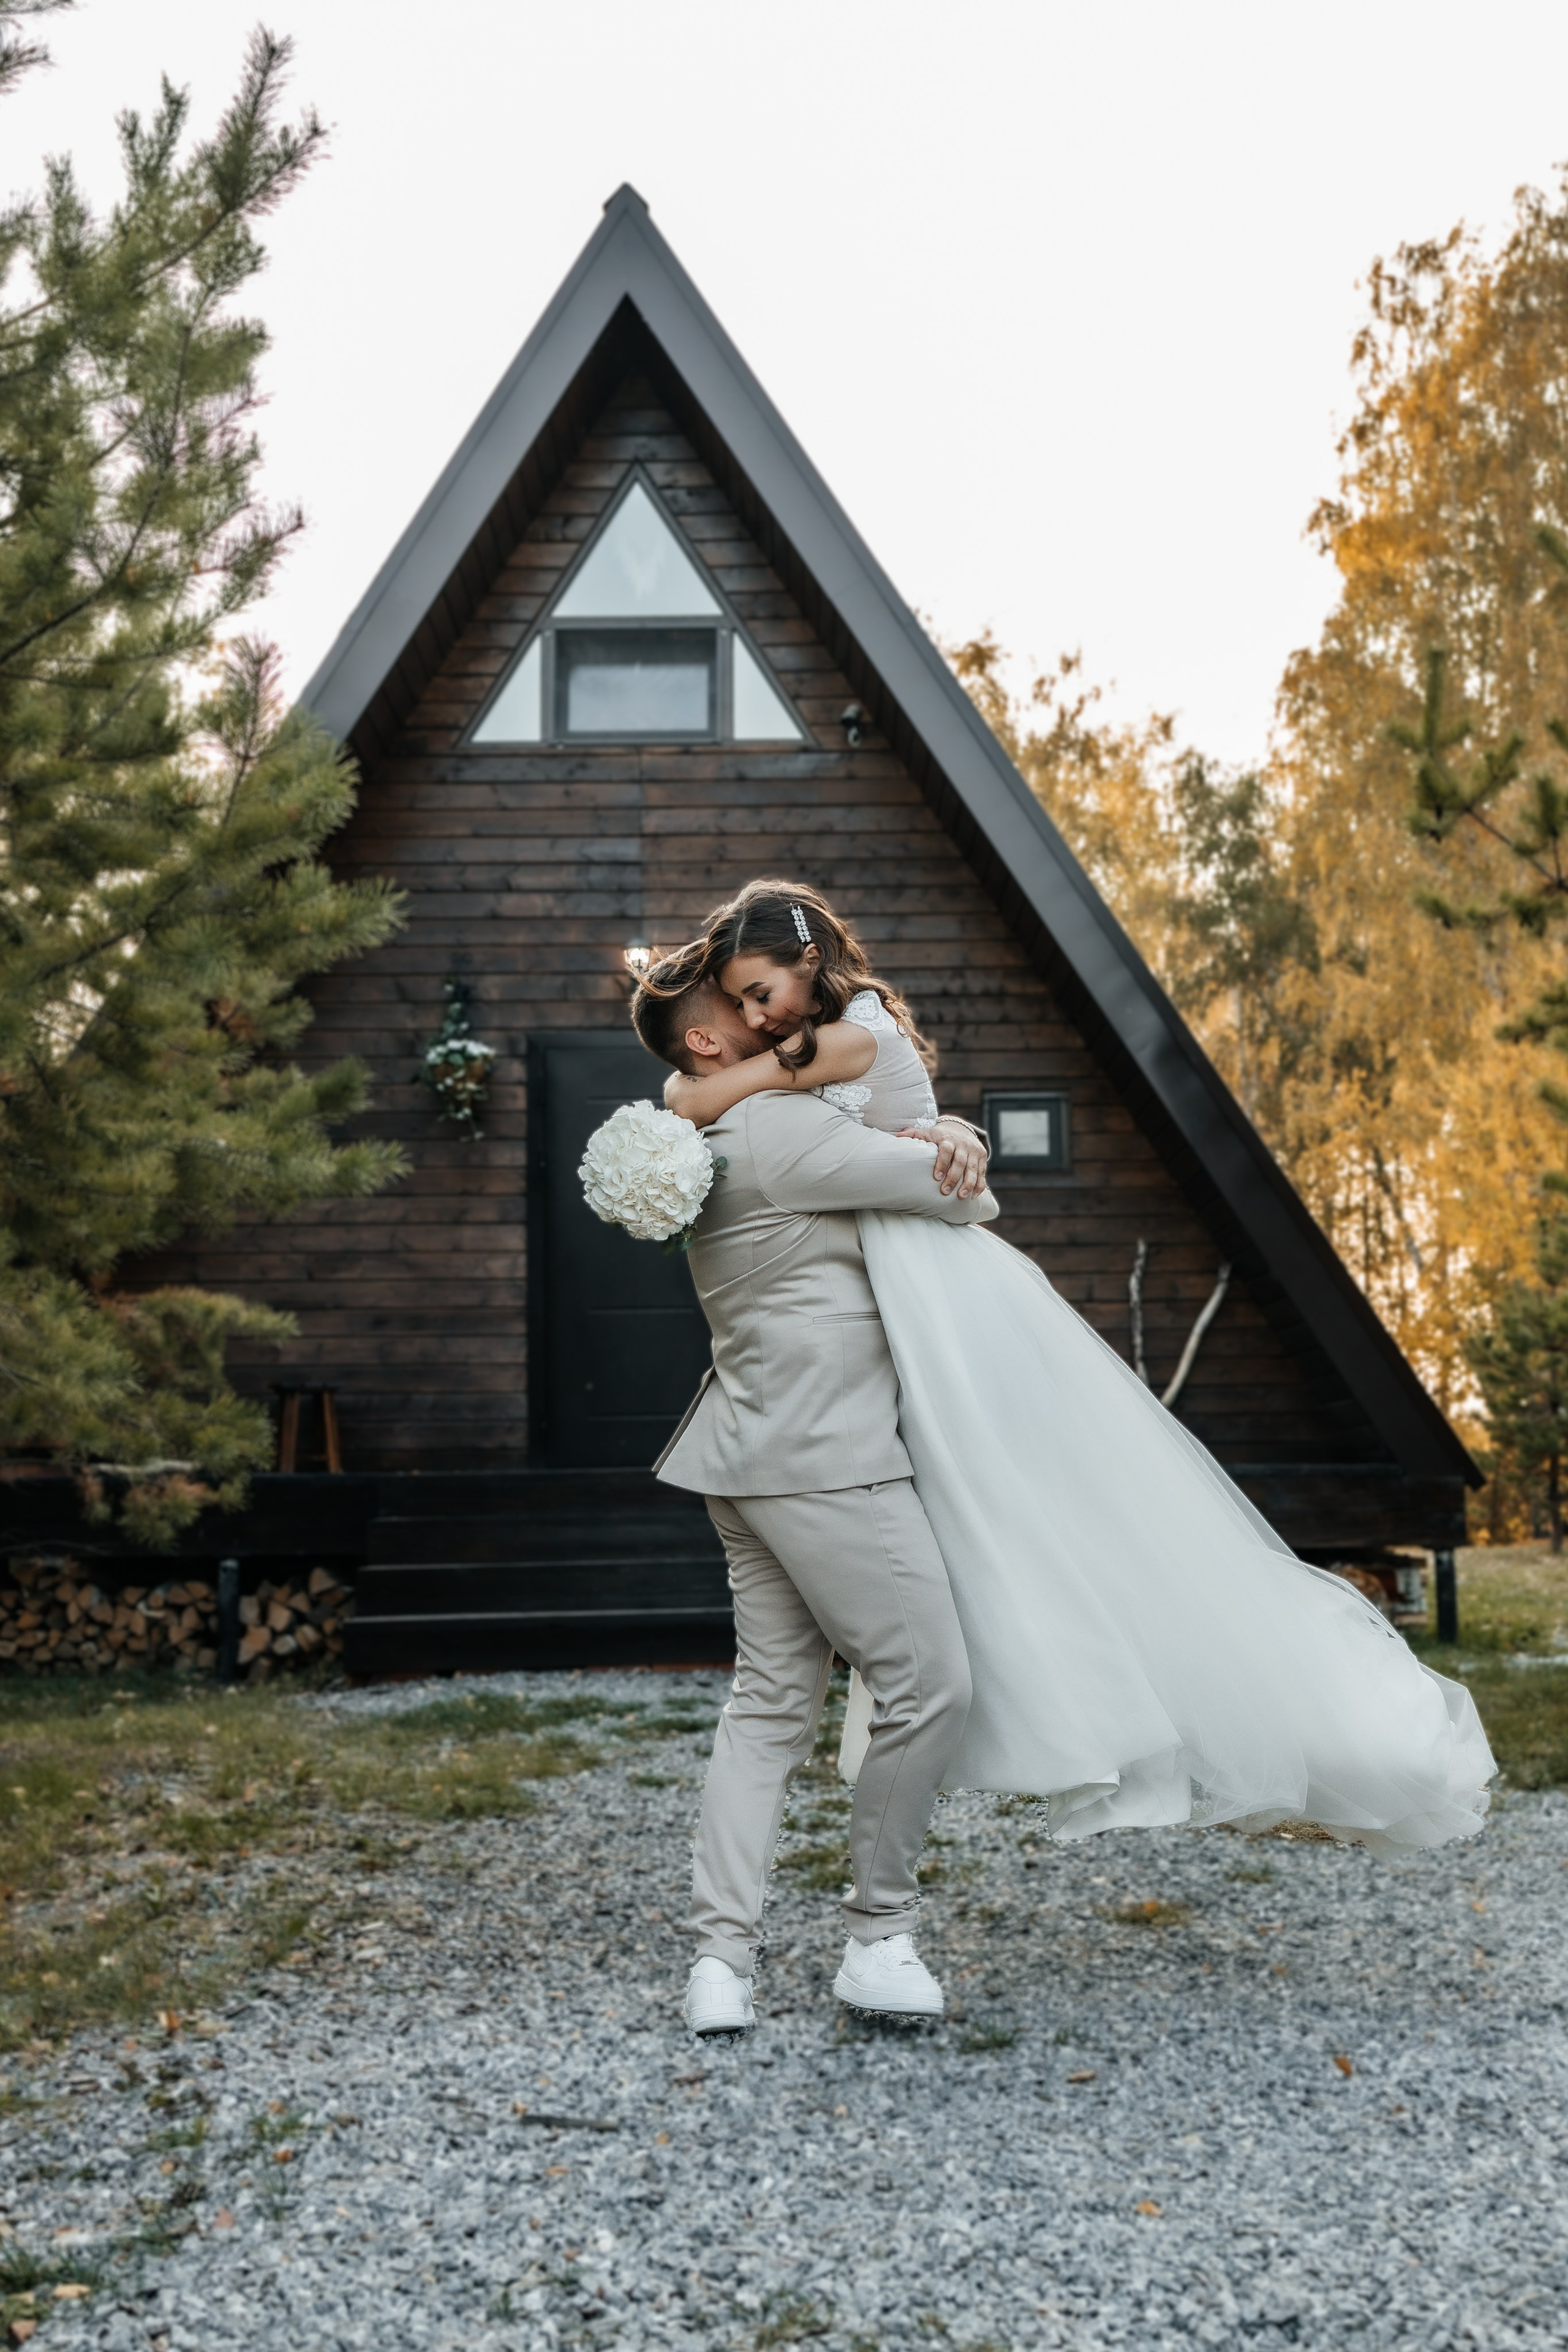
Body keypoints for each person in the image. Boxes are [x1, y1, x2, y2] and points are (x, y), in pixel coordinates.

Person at [650, 878, 1495, 1867]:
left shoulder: (854, 1030)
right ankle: (1037, 1689)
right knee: (984, 1502)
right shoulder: (825, 1037)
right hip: (897, 1266)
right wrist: (940, 1126)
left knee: (1024, 1490)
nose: (758, 1017)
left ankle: (1120, 1699)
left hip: (937, 1270)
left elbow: (730, 1091)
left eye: (762, 993)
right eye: (742, 1004)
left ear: (810, 962)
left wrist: (691, 1092)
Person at [630, 942, 995, 2036]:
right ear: (707, 1039)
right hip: (824, 1460)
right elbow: (962, 1200)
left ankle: (720, 1965)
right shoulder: (778, 1129)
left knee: (768, 1710)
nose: (776, 1009)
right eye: (743, 1004)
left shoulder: (705, 1134)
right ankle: (878, 1938)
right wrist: (959, 1134)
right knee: (931, 1682)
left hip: (744, 1454)